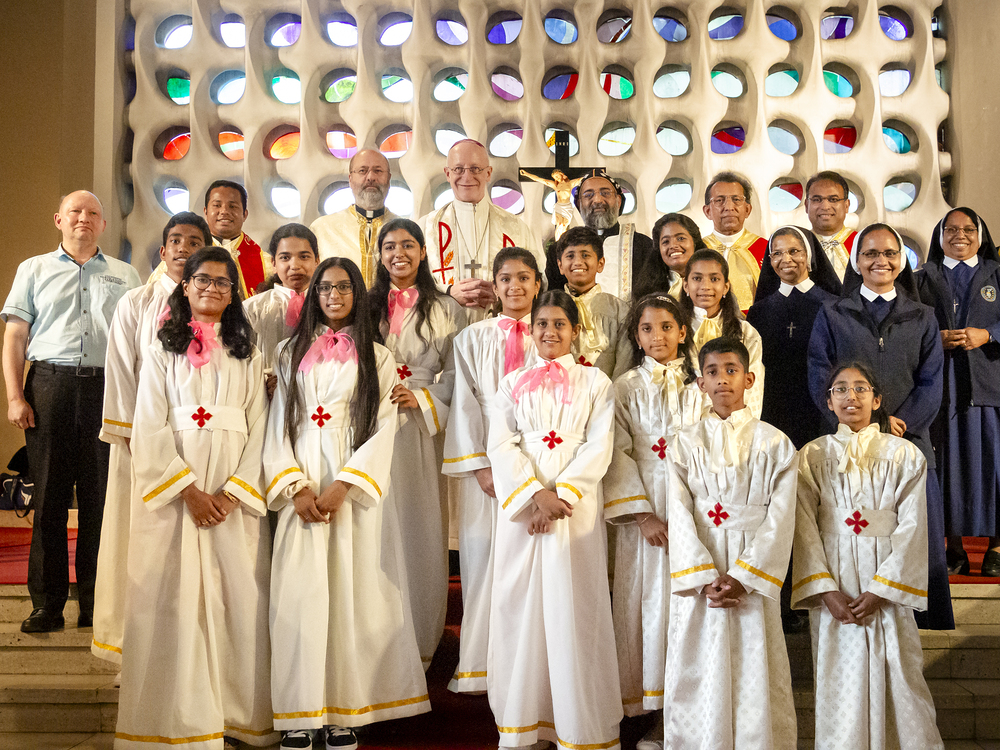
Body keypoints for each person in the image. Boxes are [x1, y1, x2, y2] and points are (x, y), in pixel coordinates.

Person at [115, 247, 277, 749]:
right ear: (184, 288)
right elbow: (149, 424)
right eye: (201, 280)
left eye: (222, 282)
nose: (211, 288)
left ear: (234, 294)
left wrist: (232, 493)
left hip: (232, 496)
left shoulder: (248, 353)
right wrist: (188, 492)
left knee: (237, 599)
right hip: (176, 498)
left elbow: (260, 427)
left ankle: (238, 718)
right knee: (173, 600)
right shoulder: (161, 350)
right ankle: (176, 722)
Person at [264, 258, 429, 750]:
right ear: (313, 295)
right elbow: (276, 421)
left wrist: (344, 486)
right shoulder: (287, 352)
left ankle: (345, 710)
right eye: (324, 288)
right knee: (301, 596)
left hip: (351, 489)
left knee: (352, 597)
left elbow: (383, 426)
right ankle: (299, 711)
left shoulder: (377, 356)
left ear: (357, 294)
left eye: (343, 287)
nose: (333, 295)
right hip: (302, 481)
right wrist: (294, 486)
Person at [486, 290, 621, 749]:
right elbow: (501, 444)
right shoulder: (511, 383)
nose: (549, 332)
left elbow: (599, 445)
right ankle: (527, 721)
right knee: (521, 604)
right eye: (542, 324)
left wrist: (560, 496)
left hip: (572, 509)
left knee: (573, 605)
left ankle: (576, 723)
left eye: (560, 324)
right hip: (524, 509)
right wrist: (534, 495)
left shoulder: (596, 382)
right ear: (531, 330)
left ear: (575, 330)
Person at [2, 190, 140, 634]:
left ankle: (97, 605)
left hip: (107, 388)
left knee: (101, 500)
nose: (84, 218)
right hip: (49, 386)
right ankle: (47, 605)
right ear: (58, 219)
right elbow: (15, 337)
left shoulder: (125, 274)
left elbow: (138, 342)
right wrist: (15, 397)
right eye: (75, 211)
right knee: (49, 499)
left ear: (103, 224)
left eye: (93, 213)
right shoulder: (34, 269)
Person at [808, 223, 953, 630]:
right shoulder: (833, 313)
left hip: (910, 440)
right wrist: (861, 420)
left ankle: (923, 619)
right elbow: (820, 373)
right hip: (849, 442)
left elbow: (932, 380)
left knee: (916, 529)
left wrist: (895, 424)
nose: (881, 261)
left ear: (901, 260)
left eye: (890, 253)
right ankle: (854, 607)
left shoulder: (923, 316)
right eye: (870, 253)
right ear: (857, 261)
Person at [793, 363, 943, 750]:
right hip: (835, 581)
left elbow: (913, 526)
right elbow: (804, 528)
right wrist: (825, 590)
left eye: (861, 389)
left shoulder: (904, 455)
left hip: (885, 581)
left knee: (900, 672)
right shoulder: (811, 456)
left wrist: (882, 589)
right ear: (829, 402)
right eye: (840, 389)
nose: (851, 397)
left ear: (876, 400)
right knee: (839, 677)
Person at [663, 337, 797, 750]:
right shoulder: (683, 442)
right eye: (712, 371)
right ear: (700, 383)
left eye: (731, 370)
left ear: (749, 379)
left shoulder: (776, 443)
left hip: (750, 570)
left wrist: (744, 576)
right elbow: (678, 511)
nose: (722, 379)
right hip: (702, 570)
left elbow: (781, 517)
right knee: (698, 658)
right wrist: (703, 575)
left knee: (755, 660)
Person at [91, 212, 209, 662]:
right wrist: (132, 439)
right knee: (140, 543)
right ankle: (134, 649)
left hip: (199, 442)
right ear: (162, 250)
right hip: (142, 443)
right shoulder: (136, 302)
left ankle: (192, 648)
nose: (183, 248)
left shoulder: (216, 303)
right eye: (175, 240)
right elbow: (121, 371)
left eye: (194, 241)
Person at [602, 294, 707, 745]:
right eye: (647, 328)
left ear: (683, 332)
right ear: (636, 336)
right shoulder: (624, 387)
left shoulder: (701, 384)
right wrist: (642, 515)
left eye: (667, 327)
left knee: (687, 607)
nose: (657, 336)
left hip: (694, 509)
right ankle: (652, 708)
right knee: (646, 606)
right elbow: (615, 452)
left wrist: (698, 515)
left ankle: (688, 710)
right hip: (645, 514)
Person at [442, 247, 541, 694]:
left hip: (537, 459)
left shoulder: (551, 331)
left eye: (523, 277)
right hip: (484, 463)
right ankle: (480, 665)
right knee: (483, 561)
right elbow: (464, 402)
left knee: (530, 562)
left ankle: (528, 663)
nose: (514, 286)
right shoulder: (471, 337)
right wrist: (479, 464)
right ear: (494, 287)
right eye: (506, 279)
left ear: (537, 283)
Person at [370, 217, 466, 667]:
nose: (399, 254)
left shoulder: (446, 307)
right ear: (379, 255)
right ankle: (379, 633)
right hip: (374, 423)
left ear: (423, 252)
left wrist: (424, 398)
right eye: (389, 246)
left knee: (420, 524)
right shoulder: (365, 303)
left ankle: (422, 638)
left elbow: (459, 373)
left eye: (408, 245)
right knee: (377, 525)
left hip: (421, 427)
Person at [917, 207, 1000, 577]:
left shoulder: (996, 274)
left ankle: (995, 548)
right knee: (948, 470)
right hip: (943, 388)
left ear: (980, 236)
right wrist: (934, 337)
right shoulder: (921, 277)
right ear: (940, 235)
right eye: (951, 229)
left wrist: (989, 334)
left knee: (994, 468)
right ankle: (954, 548)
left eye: (968, 229)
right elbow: (910, 322)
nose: (959, 235)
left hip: (990, 387)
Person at [420, 139, 540, 320]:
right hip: (442, 327)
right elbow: (411, 283)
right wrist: (448, 292)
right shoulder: (426, 226)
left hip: (499, 329)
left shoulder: (516, 227)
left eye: (475, 169)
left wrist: (504, 292)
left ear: (488, 173)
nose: (467, 177)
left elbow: (538, 280)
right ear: (447, 174)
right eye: (458, 169)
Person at [747, 226, 842, 448]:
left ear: (808, 255)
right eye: (777, 253)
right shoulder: (758, 312)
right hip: (773, 410)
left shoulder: (834, 306)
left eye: (794, 251)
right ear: (770, 260)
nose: (786, 259)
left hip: (821, 410)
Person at [680, 249, 765, 417]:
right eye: (697, 278)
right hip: (686, 421)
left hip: (734, 423)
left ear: (726, 287)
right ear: (686, 285)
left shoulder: (746, 332)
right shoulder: (675, 330)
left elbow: (752, 387)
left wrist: (742, 426)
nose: (705, 286)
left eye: (714, 279)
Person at [148, 181, 269, 297]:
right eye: (217, 205)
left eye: (232, 206)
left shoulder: (266, 264)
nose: (224, 211)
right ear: (205, 211)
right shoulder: (180, 258)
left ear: (244, 214)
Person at [309, 149, 397, 287]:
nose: (370, 177)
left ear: (389, 179)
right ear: (350, 179)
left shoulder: (403, 230)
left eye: (378, 171)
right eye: (362, 171)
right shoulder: (322, 229)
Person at [556, 226, 632, 379]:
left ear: (600, 264)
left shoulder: (619, 310)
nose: (578, 262)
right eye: (570, 256)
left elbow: (625, 362)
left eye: (585, 255)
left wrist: (612, 392)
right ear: (560, 266)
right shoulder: (552, 308)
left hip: (609, 391)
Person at [243, 223, 319, 376]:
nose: (295, 265)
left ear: (317, 261)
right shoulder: (253, 308)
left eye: (304, 257)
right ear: (273, 263)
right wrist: (264, 382)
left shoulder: (328, 305)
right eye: (285, 257)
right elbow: (242, 363)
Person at [570, 169, 655, 299]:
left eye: (605, 193)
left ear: (618, 201)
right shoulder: (564, 248)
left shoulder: (644, 246)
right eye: (588, 195)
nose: (597, 200)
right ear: (579, 204)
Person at [701, 171, 767, 311]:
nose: (729, 207)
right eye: (719, 200)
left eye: (736, 199)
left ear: (747, 209)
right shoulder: (697, 249)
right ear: (707, 211)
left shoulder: (766, 249)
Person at [632, 213, 706, 301]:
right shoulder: (647, 291)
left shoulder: (712, 283)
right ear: (659, 249)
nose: (673, 245)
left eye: (680, 238)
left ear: (695, 242)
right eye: (666, 241)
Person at [805, 171, 858, 281]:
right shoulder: (799, 245)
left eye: (833, 200)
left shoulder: (861, 244)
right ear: (806, 205)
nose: (825, 207)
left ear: (846, 205)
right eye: (817, 200)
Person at [518, 168, 585, 240]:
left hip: (567, 207)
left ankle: (563, 241)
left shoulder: (570, 184)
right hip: (559, 207)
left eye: (557, 176)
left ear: (561, 174)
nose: (556, 178)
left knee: (564, 225)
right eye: (555, 177)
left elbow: (582, 179)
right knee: (560, 224)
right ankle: (558, 242)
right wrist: (526, 174)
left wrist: (593, 172)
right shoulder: (555, 185)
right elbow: (539, 179)